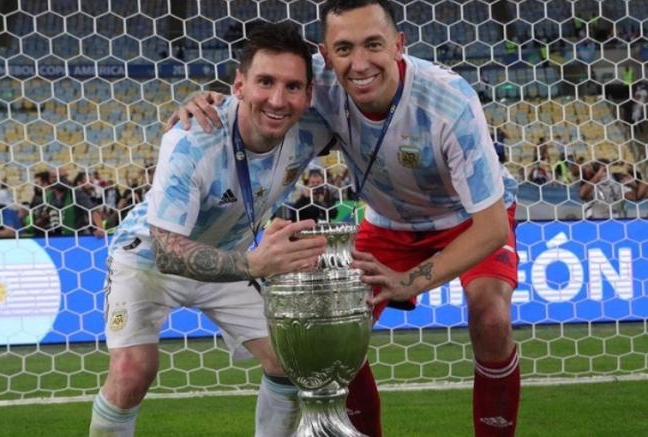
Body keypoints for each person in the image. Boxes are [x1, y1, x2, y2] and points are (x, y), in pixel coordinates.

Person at [171, 1, 521, 435]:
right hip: (389, 221)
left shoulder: (449, 102)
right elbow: (257, 94)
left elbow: (492, 228)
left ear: (398, 44)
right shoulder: (316, 78)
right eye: (343, 49)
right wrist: (206, 98)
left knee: (490, 317)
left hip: (469, 218)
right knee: (329, 332)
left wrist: (410, 280)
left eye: (373, 45)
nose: (359, 63)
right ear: (324, 53)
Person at [89, 23, 333, 437]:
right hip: (150, 256)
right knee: (133, 371)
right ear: (239, 84)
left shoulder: (313, 129)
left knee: (289, 360)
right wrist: (254, 263)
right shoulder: (191, 138)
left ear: (309, 94)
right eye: (265, 82)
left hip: (233, 258)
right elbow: (167, 250)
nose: (277, 100)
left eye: (293, 87)